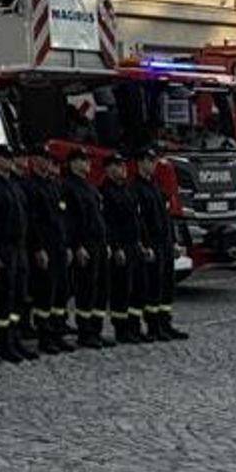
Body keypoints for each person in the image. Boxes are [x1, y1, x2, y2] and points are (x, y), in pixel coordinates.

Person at [133, 149, 190, 341]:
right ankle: (153, 325)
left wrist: (174, 242)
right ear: (140, 163)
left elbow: (166, 219)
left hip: (164, 244)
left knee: (166, 286)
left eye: (154, 160)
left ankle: (165, 323)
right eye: (150, 161)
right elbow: (139, 222)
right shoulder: (137, 189)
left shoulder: (155, 187)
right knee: (153, 287)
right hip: (153, 245)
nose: (154, 164)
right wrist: (145, 245)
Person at [60, 147, 114, 349]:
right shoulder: (68, 187)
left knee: (101, 290)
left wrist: (107, 243)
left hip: (99, 243)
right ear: (73, 163)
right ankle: (85, 332)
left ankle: (96, 330)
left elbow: (100, 218)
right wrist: (76, 246)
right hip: (85, 244)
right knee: (86, 289)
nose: (88, 164)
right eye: (83, 160)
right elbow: (70, 221)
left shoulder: (90, 187)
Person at [0, 145, 31, 364]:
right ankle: (4, 343)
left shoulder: (16, 186)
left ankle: (15, 338)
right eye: (5, 157)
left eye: (11, 158)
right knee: (3, 296)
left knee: (19, 295)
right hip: (2, 247)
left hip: (19, 247)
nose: (10, 161)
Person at [23, 149, 75, 354]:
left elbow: (63, 218)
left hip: (60, 246)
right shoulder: (31, 186)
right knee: (46, 294)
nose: (48, 163)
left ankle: (57, 332)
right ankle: (45, 336)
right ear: (34, 160)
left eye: (49, 160)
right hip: (45, 248)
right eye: (44, 159)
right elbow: (33, 222)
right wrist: (38, 248)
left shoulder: (54, 185)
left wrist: (68, 244)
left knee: (60, 293)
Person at [99, 152, 146, 344]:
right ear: (109, 169)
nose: (123, 169)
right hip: (121, 247)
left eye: (124, 165)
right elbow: (108, 224)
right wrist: (115, 247)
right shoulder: (106, 192)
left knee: (137, 288)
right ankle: (121, 328)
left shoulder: (127, 190)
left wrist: (142, 242)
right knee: (121, 289)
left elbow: (136, 220)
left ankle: (134, 326)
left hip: (134, 244)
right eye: (118, 166)